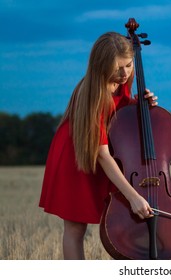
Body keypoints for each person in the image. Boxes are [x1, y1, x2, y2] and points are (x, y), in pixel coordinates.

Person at [39, 32, 157, 259]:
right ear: (101, 66)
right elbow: (102, 153)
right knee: (75, 227)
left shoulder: (124, 79)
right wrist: (133, 197)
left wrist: (140, 104)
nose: (124, 74)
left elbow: (120, 107)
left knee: (122, 218)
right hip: (76, 155)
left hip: (102, 151)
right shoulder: (94, 94)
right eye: (117, 69)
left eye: (129, 65)